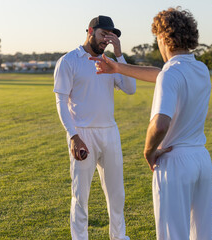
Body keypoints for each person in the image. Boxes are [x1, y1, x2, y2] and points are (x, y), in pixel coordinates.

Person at [90, 7, 212, 240]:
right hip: (201, 160)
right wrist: (117, 67)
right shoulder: (201, 69)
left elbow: (160, 124)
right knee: (203, 234)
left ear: (163, 37)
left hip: (174, 161)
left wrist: (149, 152)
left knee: (172, 235)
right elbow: (159, 74)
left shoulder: (172, 73)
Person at [53, 15, 136, 240]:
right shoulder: (68, 61)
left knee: (117, 194)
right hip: (82, 133)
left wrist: (119, 55)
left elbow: (130, 88)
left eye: (110, 37)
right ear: (90, 30)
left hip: (110, 132)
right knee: (81, 196)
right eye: (103, 35)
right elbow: (61, 101)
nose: (106, 41)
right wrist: (73, 136)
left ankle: (119, 237)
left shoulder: (110, 63)